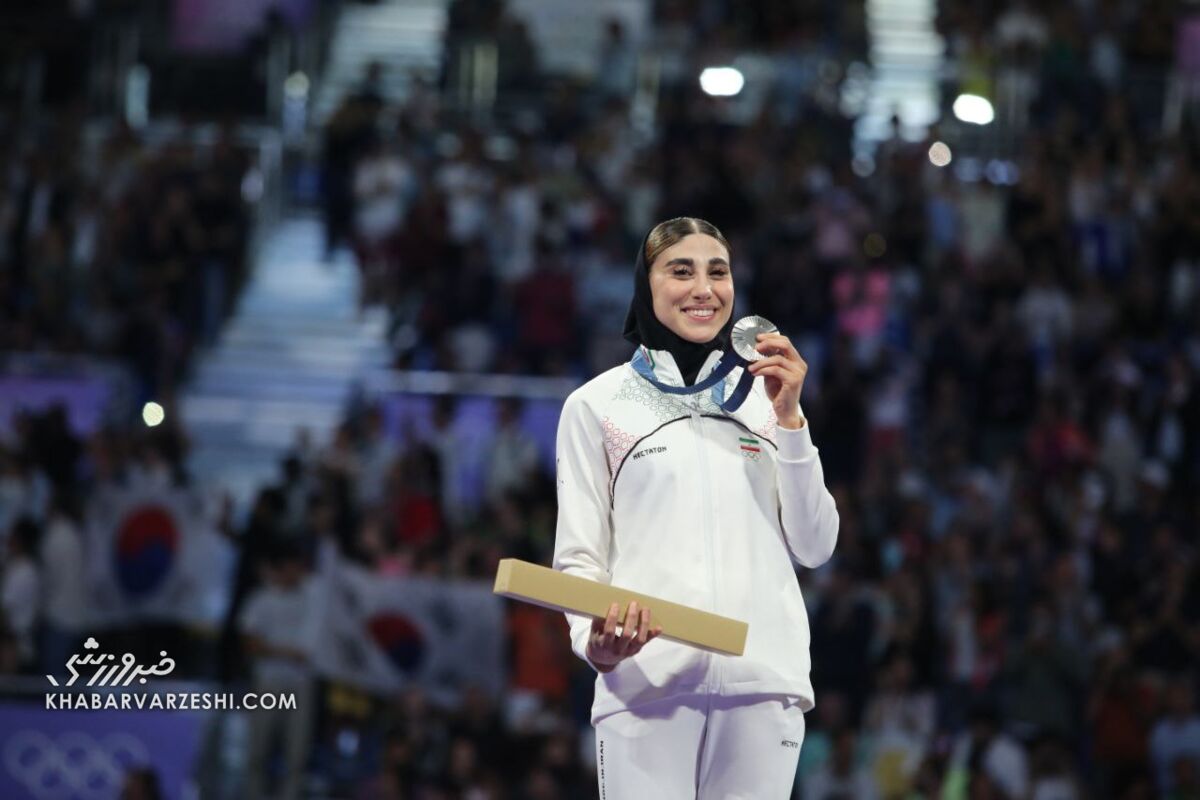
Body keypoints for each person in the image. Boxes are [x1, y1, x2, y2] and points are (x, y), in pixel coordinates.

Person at [552, 217, 840, 797]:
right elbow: (580, 556)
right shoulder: (597, 405)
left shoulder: (767, 398)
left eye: (718, 272)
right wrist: (595, 642)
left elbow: (815, 545)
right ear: (646, 283)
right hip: (646, 686)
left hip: (764, 684)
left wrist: (790, 422)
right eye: (680, 271)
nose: (703, 288)